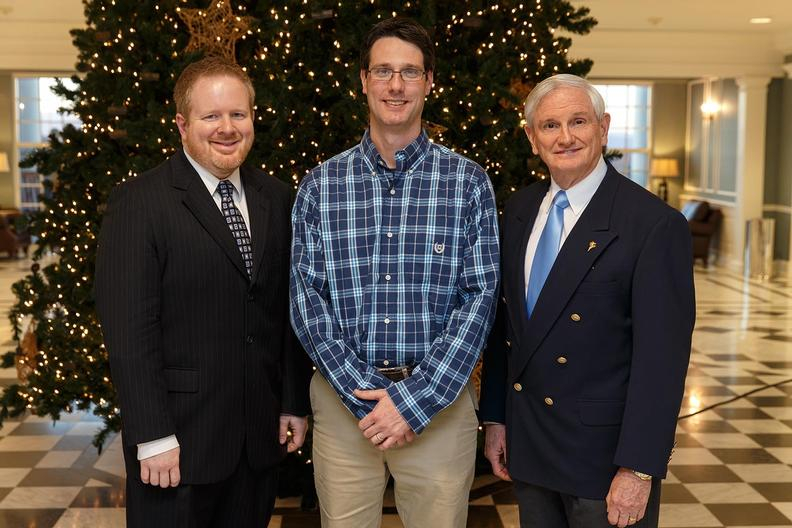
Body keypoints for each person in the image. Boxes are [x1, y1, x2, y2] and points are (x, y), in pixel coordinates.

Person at [290, 17, 499, 528]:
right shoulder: (320, 186)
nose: (396, 85)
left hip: (440, 406)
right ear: (364, 80)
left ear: (429, 82)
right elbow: (306, 300)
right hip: (344, 409)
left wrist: (412, 401)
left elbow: (479, 299)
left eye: (410, 72)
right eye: (383, 71)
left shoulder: (468, 183)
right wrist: (364, 396)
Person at [95, 56, 310, 528]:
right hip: (176, 446)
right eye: (211, 115)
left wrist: (292, 401)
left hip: (257, 442)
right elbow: (129, 332)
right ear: (181, 124)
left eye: (238, 114)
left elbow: (288, 312)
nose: (227, 128)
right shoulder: (140, 203)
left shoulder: (278, 198)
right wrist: (152, 435)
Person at [479, 74, 695, 528]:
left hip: (604, 463)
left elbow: (662, 362)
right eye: (550, 125)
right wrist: (497, 419)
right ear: (532, 138)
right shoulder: (518, 210)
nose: (566, 137)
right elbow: (506, 331)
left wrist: (639, 468)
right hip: (530, 448)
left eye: (578, 121)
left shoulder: (652, 224)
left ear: (604, 127)